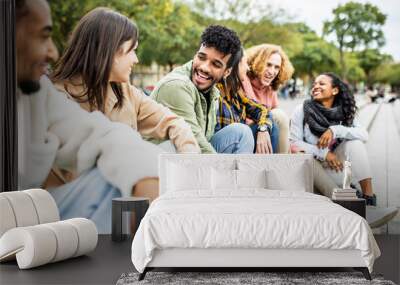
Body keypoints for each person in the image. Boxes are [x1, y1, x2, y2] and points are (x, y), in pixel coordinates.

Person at [15, 0, 169, 233]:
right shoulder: (59, 91)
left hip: (28, 217)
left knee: (162, 157)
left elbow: (101, 135)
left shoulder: (37, 94)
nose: (52, 52)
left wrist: (145, 177)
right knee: (112, 184)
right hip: (23, 221)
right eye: (43, 36)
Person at [51, 7, 199, 171]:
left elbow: (174, 122)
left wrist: (190, 159)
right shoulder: (58, 99)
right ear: (110, 50)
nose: (135, 59)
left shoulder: (126, 92)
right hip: (93, 190)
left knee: (171, 149)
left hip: (131, 185)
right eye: (132, 50)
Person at [151, 25, 260, 154]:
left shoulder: (212, 91)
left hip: (188, 157)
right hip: (161, 163)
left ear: (227, 72)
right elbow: (193, 143)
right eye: (201, 57)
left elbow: (205, 141)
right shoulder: (176, 86)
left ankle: (238, 173)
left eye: (216, 64)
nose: (204, 67)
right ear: (196, 54)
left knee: (241, 133)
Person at [289, 72, 376, 205]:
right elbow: (294, 143)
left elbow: (364, 134)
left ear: (335, 90)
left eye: (321, 83)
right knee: (303, 158)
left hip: (337, 167)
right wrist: (324, 154)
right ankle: (345, 201)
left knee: (355, 143)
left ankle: (369, 198)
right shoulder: (301, 110)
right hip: (315, 169)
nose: (316, 86)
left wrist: (335, 130)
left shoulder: (344, 111)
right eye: (314, 84)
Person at [216, 49, 275, 153]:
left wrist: (263, 129)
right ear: (235, 65)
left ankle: (270, 166)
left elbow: (262, 110)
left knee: (270, 125)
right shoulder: (216, 92)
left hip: (238, 146)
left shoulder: (235, 92)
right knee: (242, 131)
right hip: (214, 152)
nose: (248, 68)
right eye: (245, 63)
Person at [242, 44, 294, 153]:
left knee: (279, 117)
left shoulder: (270, 88)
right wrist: (263, 127)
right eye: (268, 64)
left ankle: (283, 160)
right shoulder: (244, 79)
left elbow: (281, 123)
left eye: (276, 67)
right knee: (277, 116)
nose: (272, 71)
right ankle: (283, 163)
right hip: (245, 135)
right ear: (258, 62)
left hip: (266, 131)